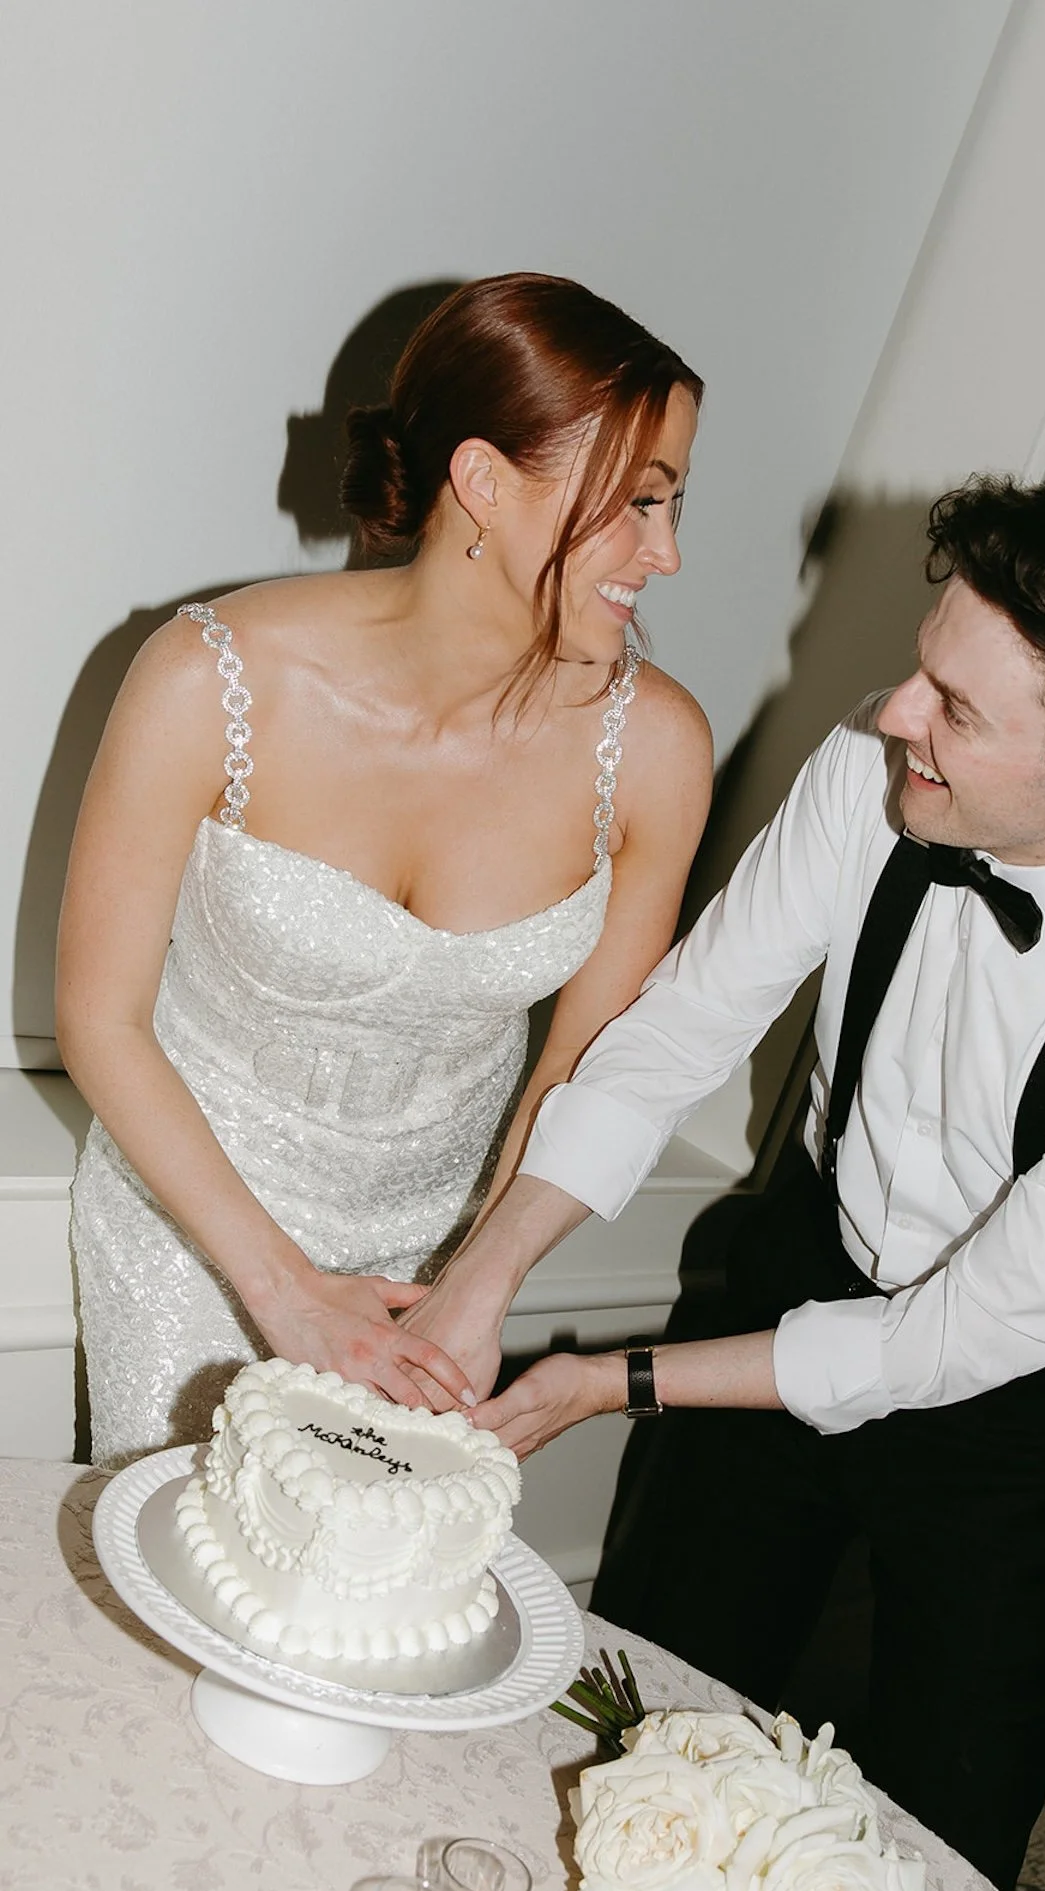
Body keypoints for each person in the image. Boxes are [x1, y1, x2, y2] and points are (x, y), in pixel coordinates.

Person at [411, 475, 1045, 1891]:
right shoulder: (870, 778)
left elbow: (945, 1345)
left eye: (957, 709)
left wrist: (597, 1381)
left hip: (1014, 1406)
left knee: (941, 1817)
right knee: (653, 1697)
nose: (894, 715)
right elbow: (679, 1032)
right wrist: (484, 1278)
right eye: (923, 669)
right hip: (805, 1250)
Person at [57, 272, 711, 1468]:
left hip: (439, 1260)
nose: (664, 553)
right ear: (481, 482)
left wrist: (479, 1278)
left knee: (360, 1613)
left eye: (672, 506)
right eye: (636, 504)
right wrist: (286, 1291)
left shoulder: (657, 749)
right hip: (194, 1226)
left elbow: (582, 1065)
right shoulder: (205, 677)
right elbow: (98, 1021)